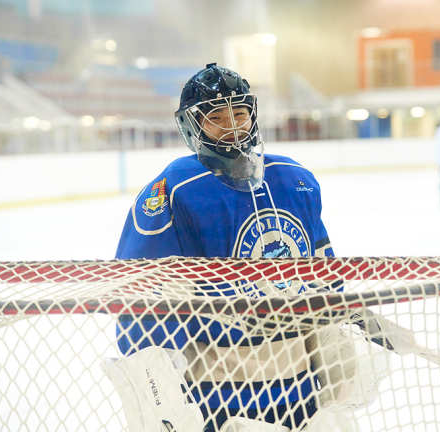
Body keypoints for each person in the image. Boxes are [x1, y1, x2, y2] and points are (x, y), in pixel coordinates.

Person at [114, 63, 336, 431]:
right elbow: (143, 302)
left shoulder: (294, 180)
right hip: (216, 397)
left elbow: (323, 277)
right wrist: (161, 394)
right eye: (216, 116)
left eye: (240, 113)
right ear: (191, 126)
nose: (233, 125)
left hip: (299, 388)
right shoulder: (174, 191)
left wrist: (338, 332)